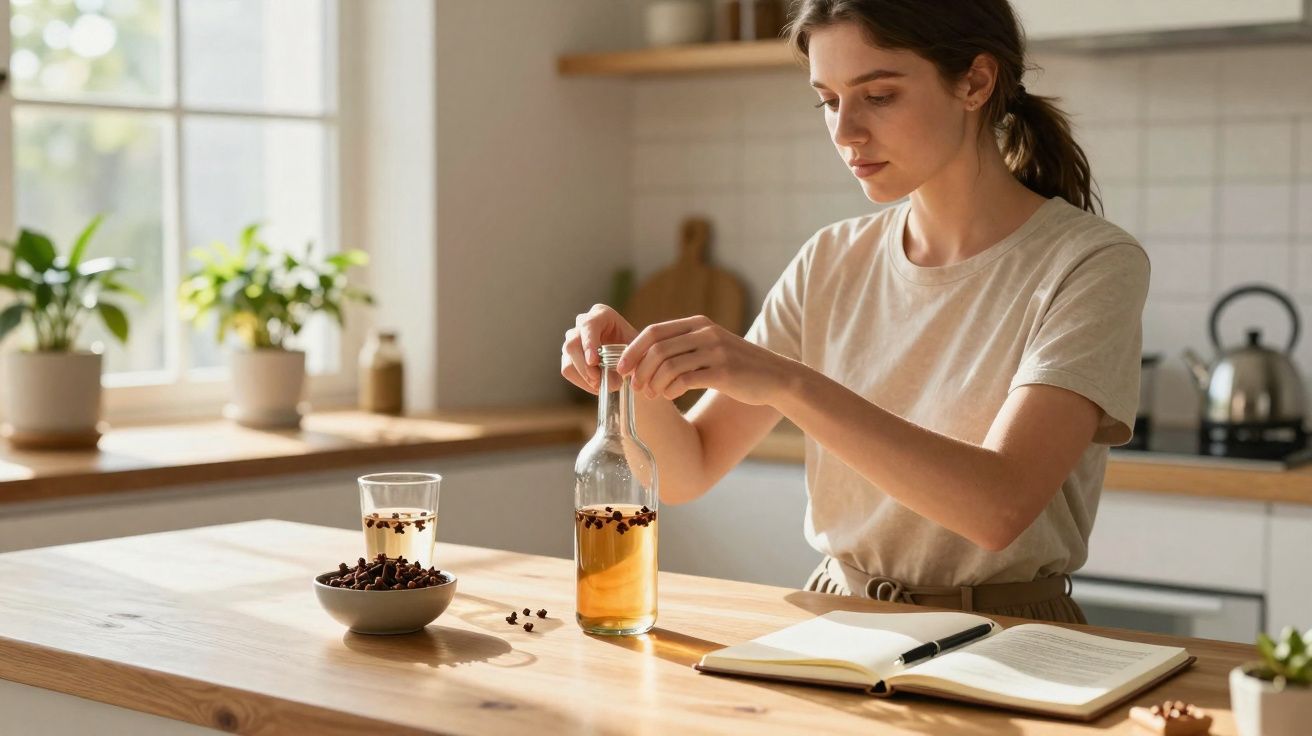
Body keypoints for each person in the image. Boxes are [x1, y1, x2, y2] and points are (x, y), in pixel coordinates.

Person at [559, 0, 1149, 624]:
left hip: (1008, 636)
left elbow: (997, 509)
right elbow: (689, 468)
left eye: (880, 96)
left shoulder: (1090, 262)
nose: (845, 132)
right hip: (835, 625)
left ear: (976, 82)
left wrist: (787, 382)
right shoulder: (831, 259)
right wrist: (628, 375)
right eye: (828, 100)